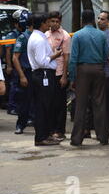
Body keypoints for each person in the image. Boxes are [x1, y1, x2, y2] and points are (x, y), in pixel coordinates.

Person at [69, 10, 109, 146]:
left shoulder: (78, 35)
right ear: (93, 20)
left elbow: (73, 58)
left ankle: (76, 139)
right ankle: (103, 137)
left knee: (81, 104)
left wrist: (72, 77)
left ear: (82, 20)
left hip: (83, 70)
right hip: (98, 69)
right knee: (100, 103)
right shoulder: (102, 35)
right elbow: (105, 55)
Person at [27, 13, 62, 146]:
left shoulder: (37, 37)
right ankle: (41, 137)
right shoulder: (39, 39)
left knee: (47, 106)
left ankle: (46, 134)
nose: (50, 25)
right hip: (43, 75)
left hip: (43, 74)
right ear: (42, 24)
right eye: (48, 22)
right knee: (43, 107)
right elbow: (42, 61)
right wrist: (55, 55)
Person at [45, 11, 71, 140]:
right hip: (48, 72)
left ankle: (59, 130)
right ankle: (50, 129)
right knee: (49, 102)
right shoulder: (45, 34)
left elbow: (66, 57)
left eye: (57, 21)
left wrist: (64, 76)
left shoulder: (65, 36)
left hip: (59, 73)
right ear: (48, 21)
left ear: (60, 22)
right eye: (52, 21)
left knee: (60, 104)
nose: (55, 24)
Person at [12, 10, 34, 134]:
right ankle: (21, 124)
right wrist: (22, 76)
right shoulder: (23, 37)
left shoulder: (40, 36)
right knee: (24, 101)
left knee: (39, 100)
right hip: (26, 72)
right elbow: (15, 57)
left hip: (38, 72)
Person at [4, 12, 23, 115]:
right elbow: (8, 51)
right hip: (14, 64)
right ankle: (12, 107)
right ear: (16, 24)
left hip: (23, 64)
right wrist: (9, 66)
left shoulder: (24, 34)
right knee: (14, 85)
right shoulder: (11, 35)